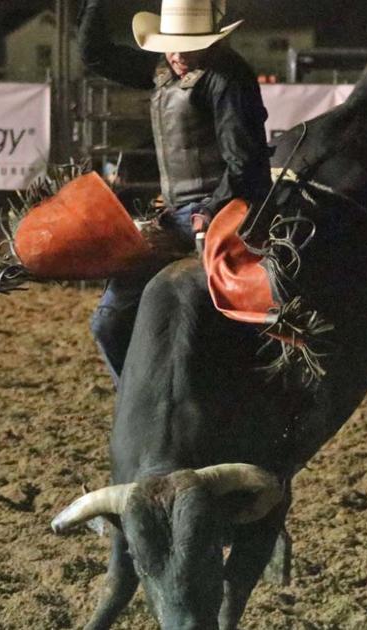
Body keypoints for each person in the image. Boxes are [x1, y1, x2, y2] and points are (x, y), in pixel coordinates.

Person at [77, 0, 272, 384]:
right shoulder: (163, 70)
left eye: (187, 43)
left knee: (234, 321)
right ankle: (137, 399)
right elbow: (96, 55)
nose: (178, 53)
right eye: (171, 43)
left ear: (210, 43)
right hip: (178, 215)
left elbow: (245, 162)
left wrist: (212, 209)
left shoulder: (227, 78)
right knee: (109, 324)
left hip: (220, 212)